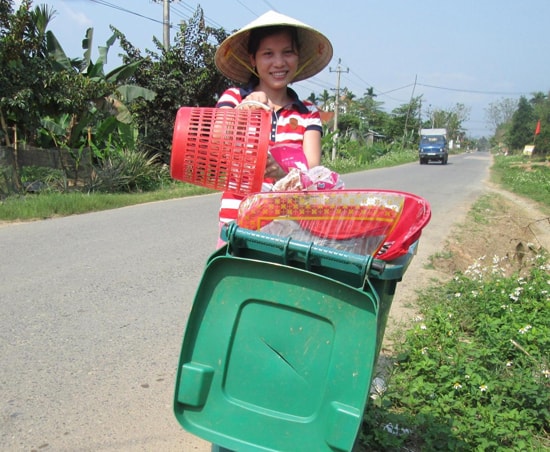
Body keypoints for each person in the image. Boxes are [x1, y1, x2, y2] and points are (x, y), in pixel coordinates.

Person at [213, 10, 333, 242]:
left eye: (287, 52)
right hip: (236, 222)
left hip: (288, 230)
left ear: (298, 57)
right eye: (268, 54)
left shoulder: (308, 113)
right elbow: (217, 138)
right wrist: (245, 110)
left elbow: (312, 173)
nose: (279, 62)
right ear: (252, 59)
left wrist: (281, 174)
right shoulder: (234, 98)